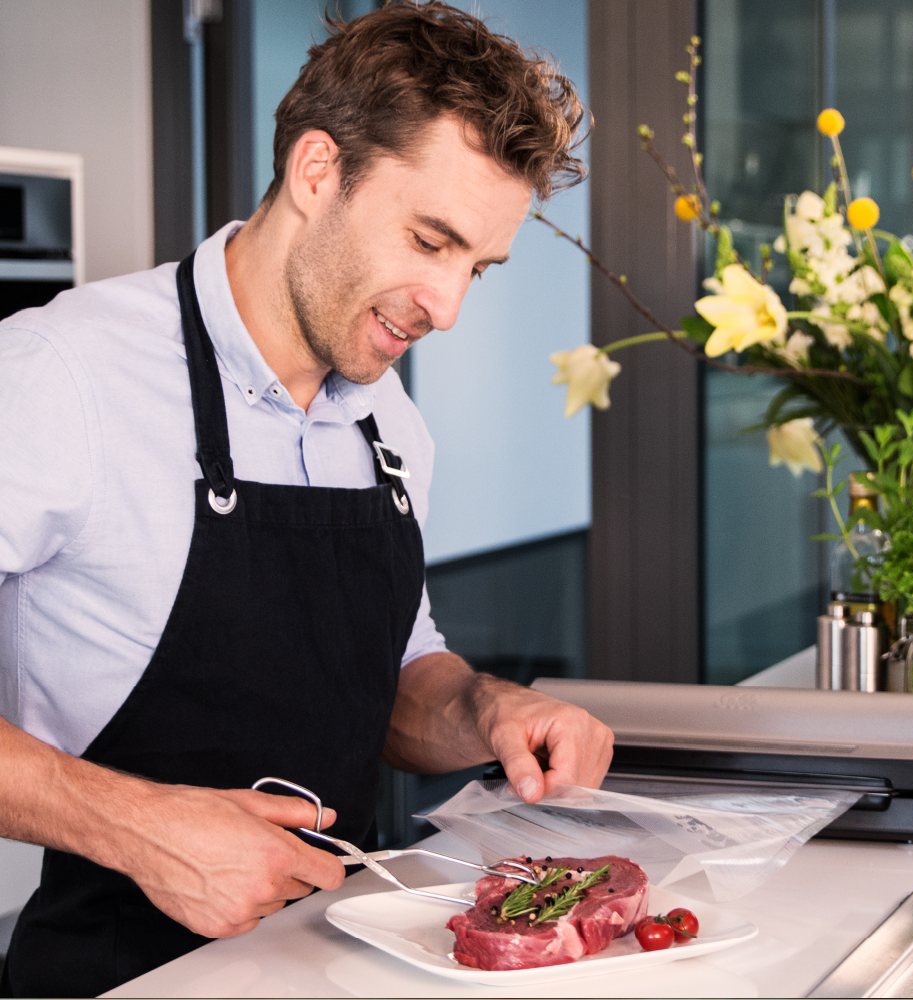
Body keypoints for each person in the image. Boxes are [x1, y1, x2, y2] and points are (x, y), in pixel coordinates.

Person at [0, 2, 613, 996]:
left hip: (349, 962)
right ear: (316, 171)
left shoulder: (389, 424)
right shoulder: (60, 376)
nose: (448, 306)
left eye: (477, 268)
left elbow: (392, 686)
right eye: (428, 240)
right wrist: (138, 826)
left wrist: (485, 708)